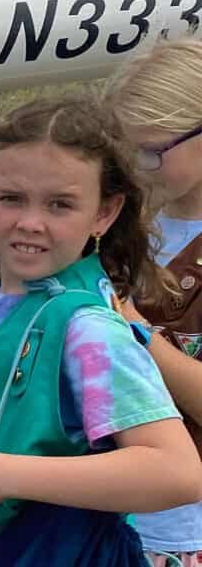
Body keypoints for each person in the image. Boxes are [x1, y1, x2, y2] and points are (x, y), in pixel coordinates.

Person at [0, 96, 201, 566]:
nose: (30, 222)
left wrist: (7, 475)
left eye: (61, 205)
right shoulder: (12, 297)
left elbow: (176, 471)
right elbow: (53, 421)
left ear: (105, 212)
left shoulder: (88, 329)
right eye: (10, 198)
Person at [109, 40, 202, 567]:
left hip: (180, 530)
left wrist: (134, 330)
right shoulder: (133, 225)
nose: (137, 168)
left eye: (150, 152)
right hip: (106, 511)